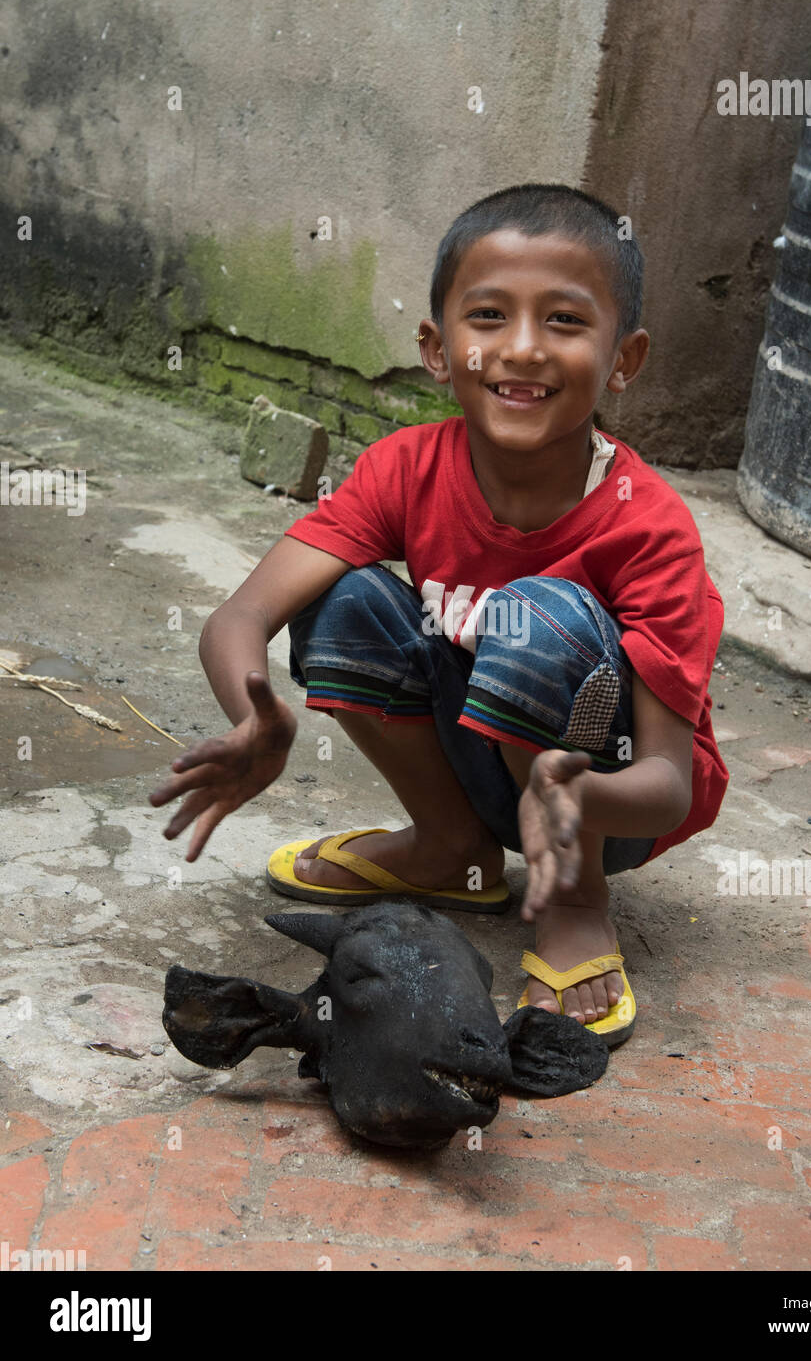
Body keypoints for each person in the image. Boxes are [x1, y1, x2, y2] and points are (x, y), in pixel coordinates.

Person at [150, 182, 728, 1049]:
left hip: (603, 807)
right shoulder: (405, 468)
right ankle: (450, 848)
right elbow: (240, 617)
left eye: (565, 322)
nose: (522, 349)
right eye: (488, 315)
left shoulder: (648, 526)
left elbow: (669, 786)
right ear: (436, 346)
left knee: (535, 616)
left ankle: (571, 899)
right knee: (342, 601)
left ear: (623, 359)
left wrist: (574, 797)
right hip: (484, 756)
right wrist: (252, 714)